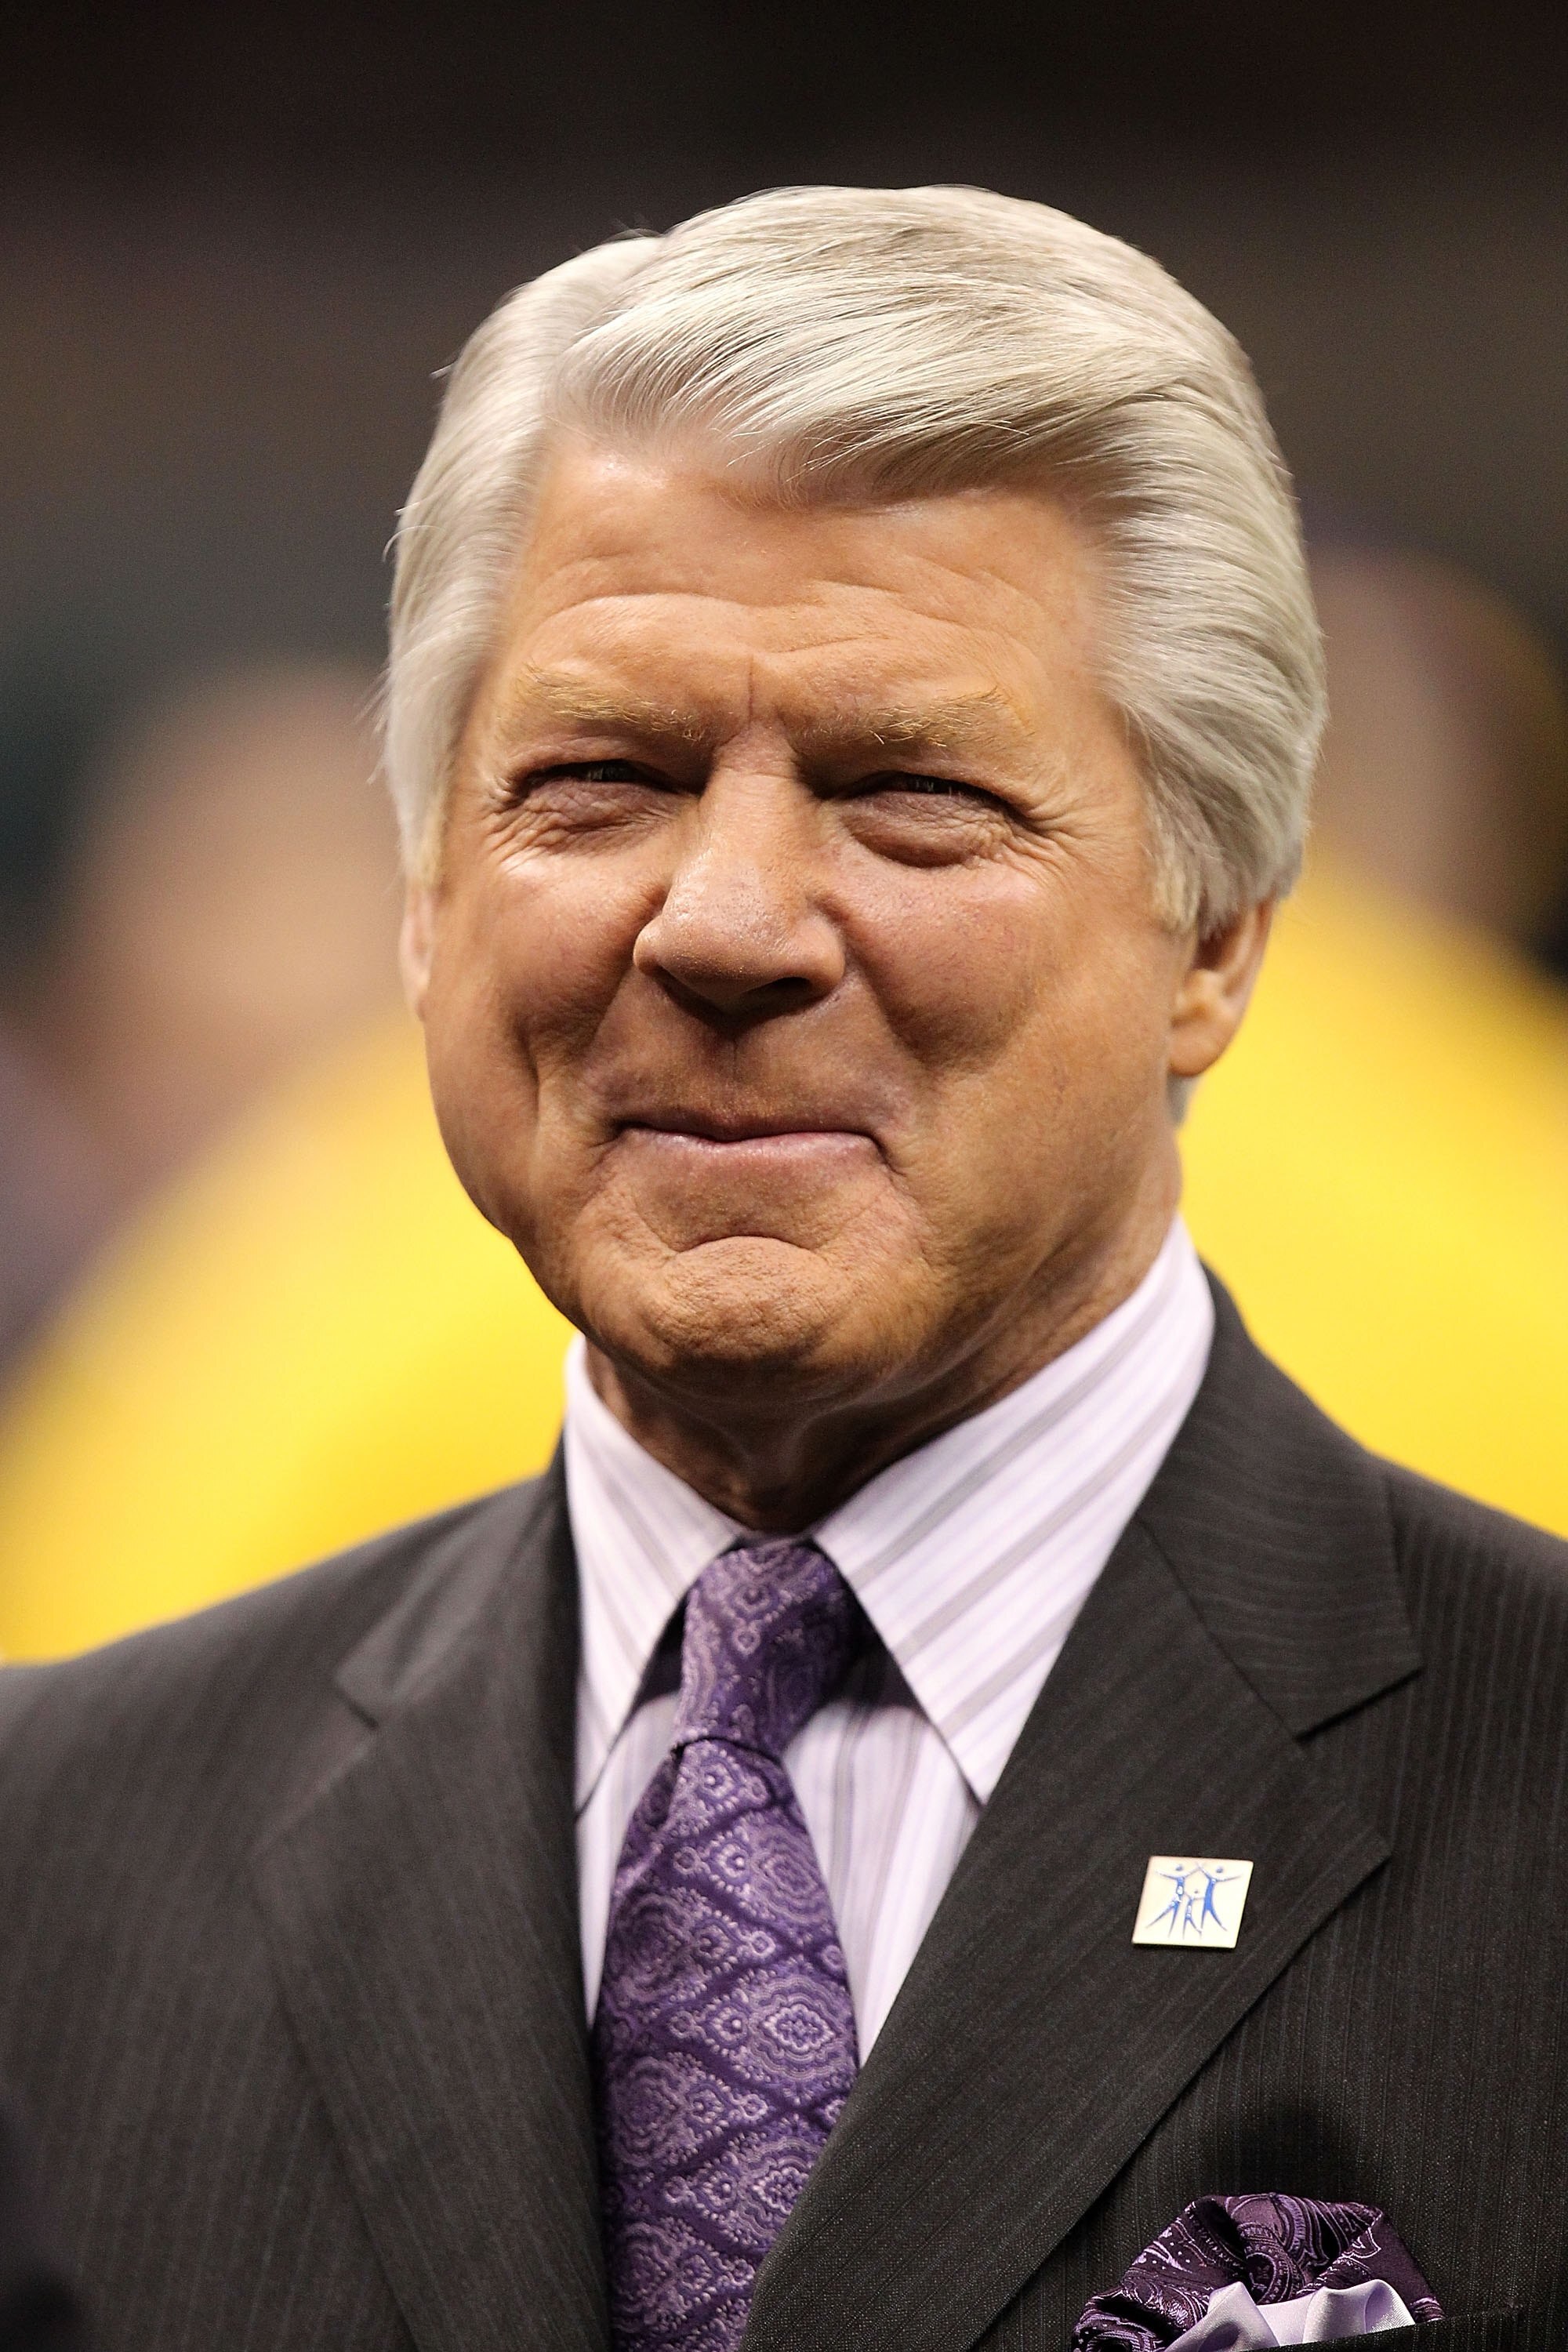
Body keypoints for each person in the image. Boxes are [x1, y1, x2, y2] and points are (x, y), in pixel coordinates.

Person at [0, 184, 1564, 2352]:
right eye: (600, 779)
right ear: (428, 901)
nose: (725, 919)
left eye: (912, 793)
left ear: (1216, 937)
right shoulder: (49, 1865)